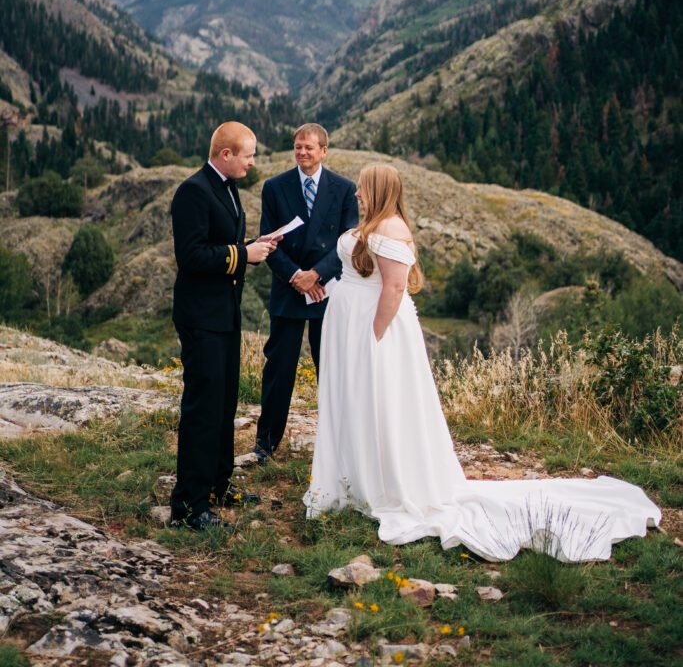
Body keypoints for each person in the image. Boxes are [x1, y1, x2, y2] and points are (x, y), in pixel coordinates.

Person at [304, 164, 661, 562]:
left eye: (363, 188)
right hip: (351, 323)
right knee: (355, 402)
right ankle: (357, 477)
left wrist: (374, 335)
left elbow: (395, 285)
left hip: (375, 329)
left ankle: (386, 483)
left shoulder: (390, 229)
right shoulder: (372, 226)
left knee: (381, 402)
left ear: (380, 189)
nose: (356, 194)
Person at [170, 121, 278, 530]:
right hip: (201, 317)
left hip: (224, 314)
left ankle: (217, 485)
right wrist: (242, 254)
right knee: (203, 408)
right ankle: (188, 506)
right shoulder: (193, 192)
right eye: (248, 155)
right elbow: (192, 256)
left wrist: (256, 247)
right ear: (226, 154)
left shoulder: (228, 188)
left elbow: (223, 242)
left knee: (225, 403)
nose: (252, 163)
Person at [254, 123, 358, 461]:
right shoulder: (274, 187)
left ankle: (340, 443)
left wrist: (317, 276)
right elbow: (267, 239)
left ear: (324, 151)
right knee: (279, 368)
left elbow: (348, 243)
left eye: (309, 147)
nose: (302, 152)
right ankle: (265, 444)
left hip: (327, 292)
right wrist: (297, 276)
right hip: (289, 289)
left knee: (330, 366)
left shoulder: (344, 189)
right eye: (297, 147)